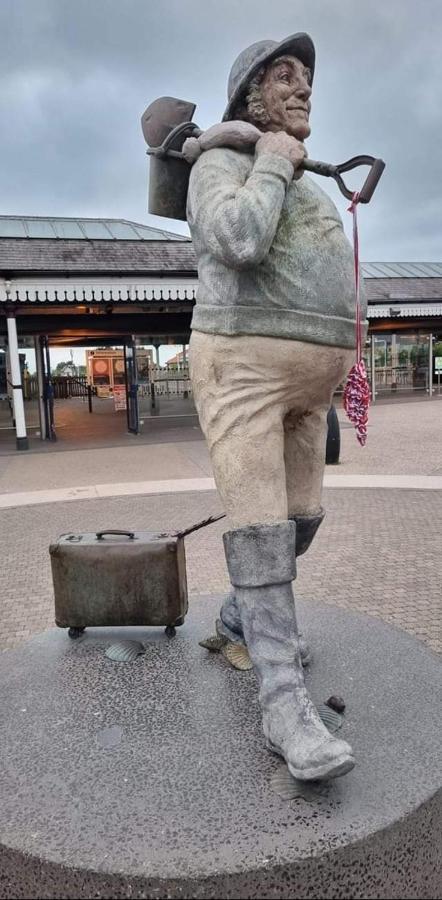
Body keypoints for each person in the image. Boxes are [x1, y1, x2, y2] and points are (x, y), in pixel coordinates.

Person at [187, 33, 364, 781]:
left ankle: (239, 619)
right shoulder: (221, 165)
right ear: (250, 95)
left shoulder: (305, 175)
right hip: (243, 371)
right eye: (284, 77)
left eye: (307, 79)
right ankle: (283, 704)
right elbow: (238, 238)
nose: (304, 90)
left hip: (305, 386)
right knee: (262, 533)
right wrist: (268, 160)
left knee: (301, 523)